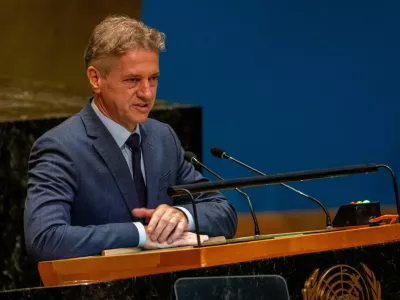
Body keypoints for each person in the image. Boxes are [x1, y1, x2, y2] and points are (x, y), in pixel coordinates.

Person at [24, 15, 237, 262]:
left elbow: (224, 212)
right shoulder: (61, 147)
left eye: (153, 78)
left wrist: (181, 216)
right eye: (133, 80)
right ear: (96, 79)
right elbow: (44, 238)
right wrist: (141, 234)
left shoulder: (163, 137)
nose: (147, 93)